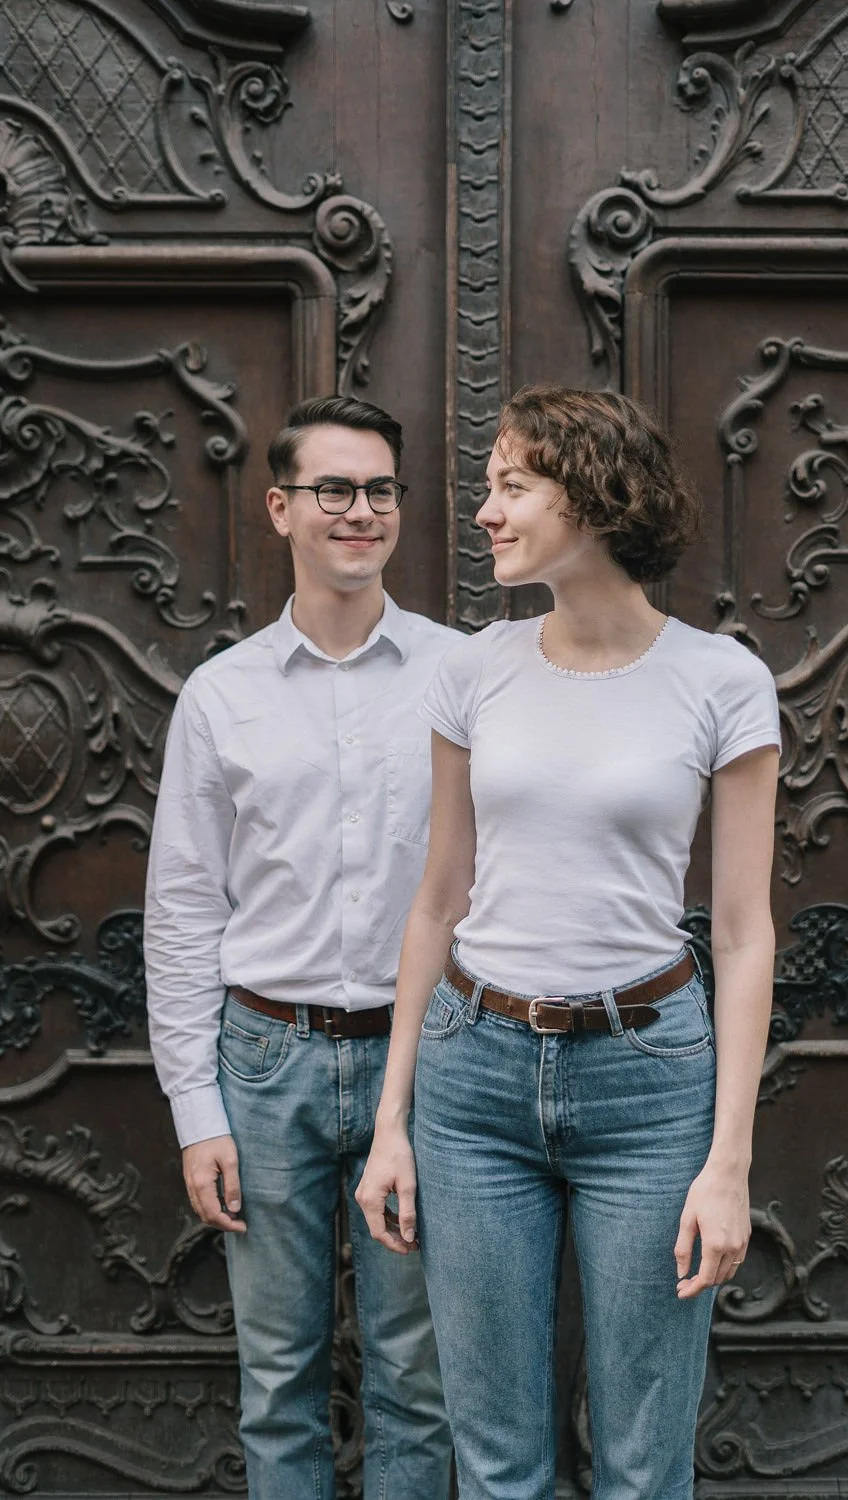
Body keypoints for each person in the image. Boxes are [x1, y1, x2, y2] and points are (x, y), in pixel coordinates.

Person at [356, 386, 781, 1500]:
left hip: (647, 1082)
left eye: (512, 485)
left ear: (597, 496)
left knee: (644, 1461)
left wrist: (727, 1162)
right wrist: (391, 1123)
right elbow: (437, 899)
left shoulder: (721, 680)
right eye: (489, 486)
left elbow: (741, 931)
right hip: (474, 1075)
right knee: (495, 1455)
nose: (485, 512)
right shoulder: (474, 671)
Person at [145, 395, 455, 1500]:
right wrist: (196, 1114)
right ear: (281, 507)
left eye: (380, 490)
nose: (360, 511)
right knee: (277, 1376)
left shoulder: (461, 677)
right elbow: (183, 910)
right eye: (334, 489)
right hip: (263, 1061)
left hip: (417, 1064)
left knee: (418, 1377)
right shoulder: (220, 697)